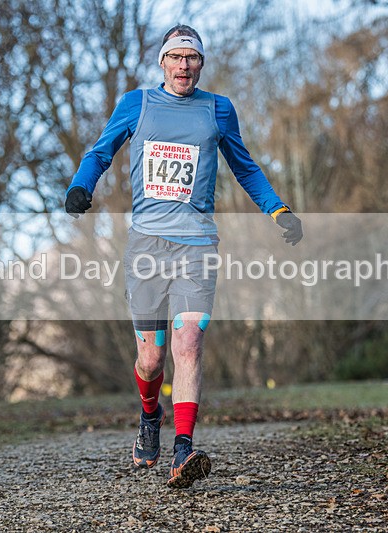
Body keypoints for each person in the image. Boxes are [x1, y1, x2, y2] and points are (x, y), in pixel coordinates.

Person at [65, 25, 303, 488]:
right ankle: (150, 416)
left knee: (188, 343)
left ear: (201, 64)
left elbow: (245, 166)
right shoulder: (138, 104)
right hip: (147, 247)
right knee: (151, 361)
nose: (184, 65)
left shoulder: (218, 109)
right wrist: (80, 186)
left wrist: (279, 210)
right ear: (162, 63)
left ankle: (184, 449)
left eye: (192, 58)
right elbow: (101, 151)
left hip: (197, 245)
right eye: (175, 57)